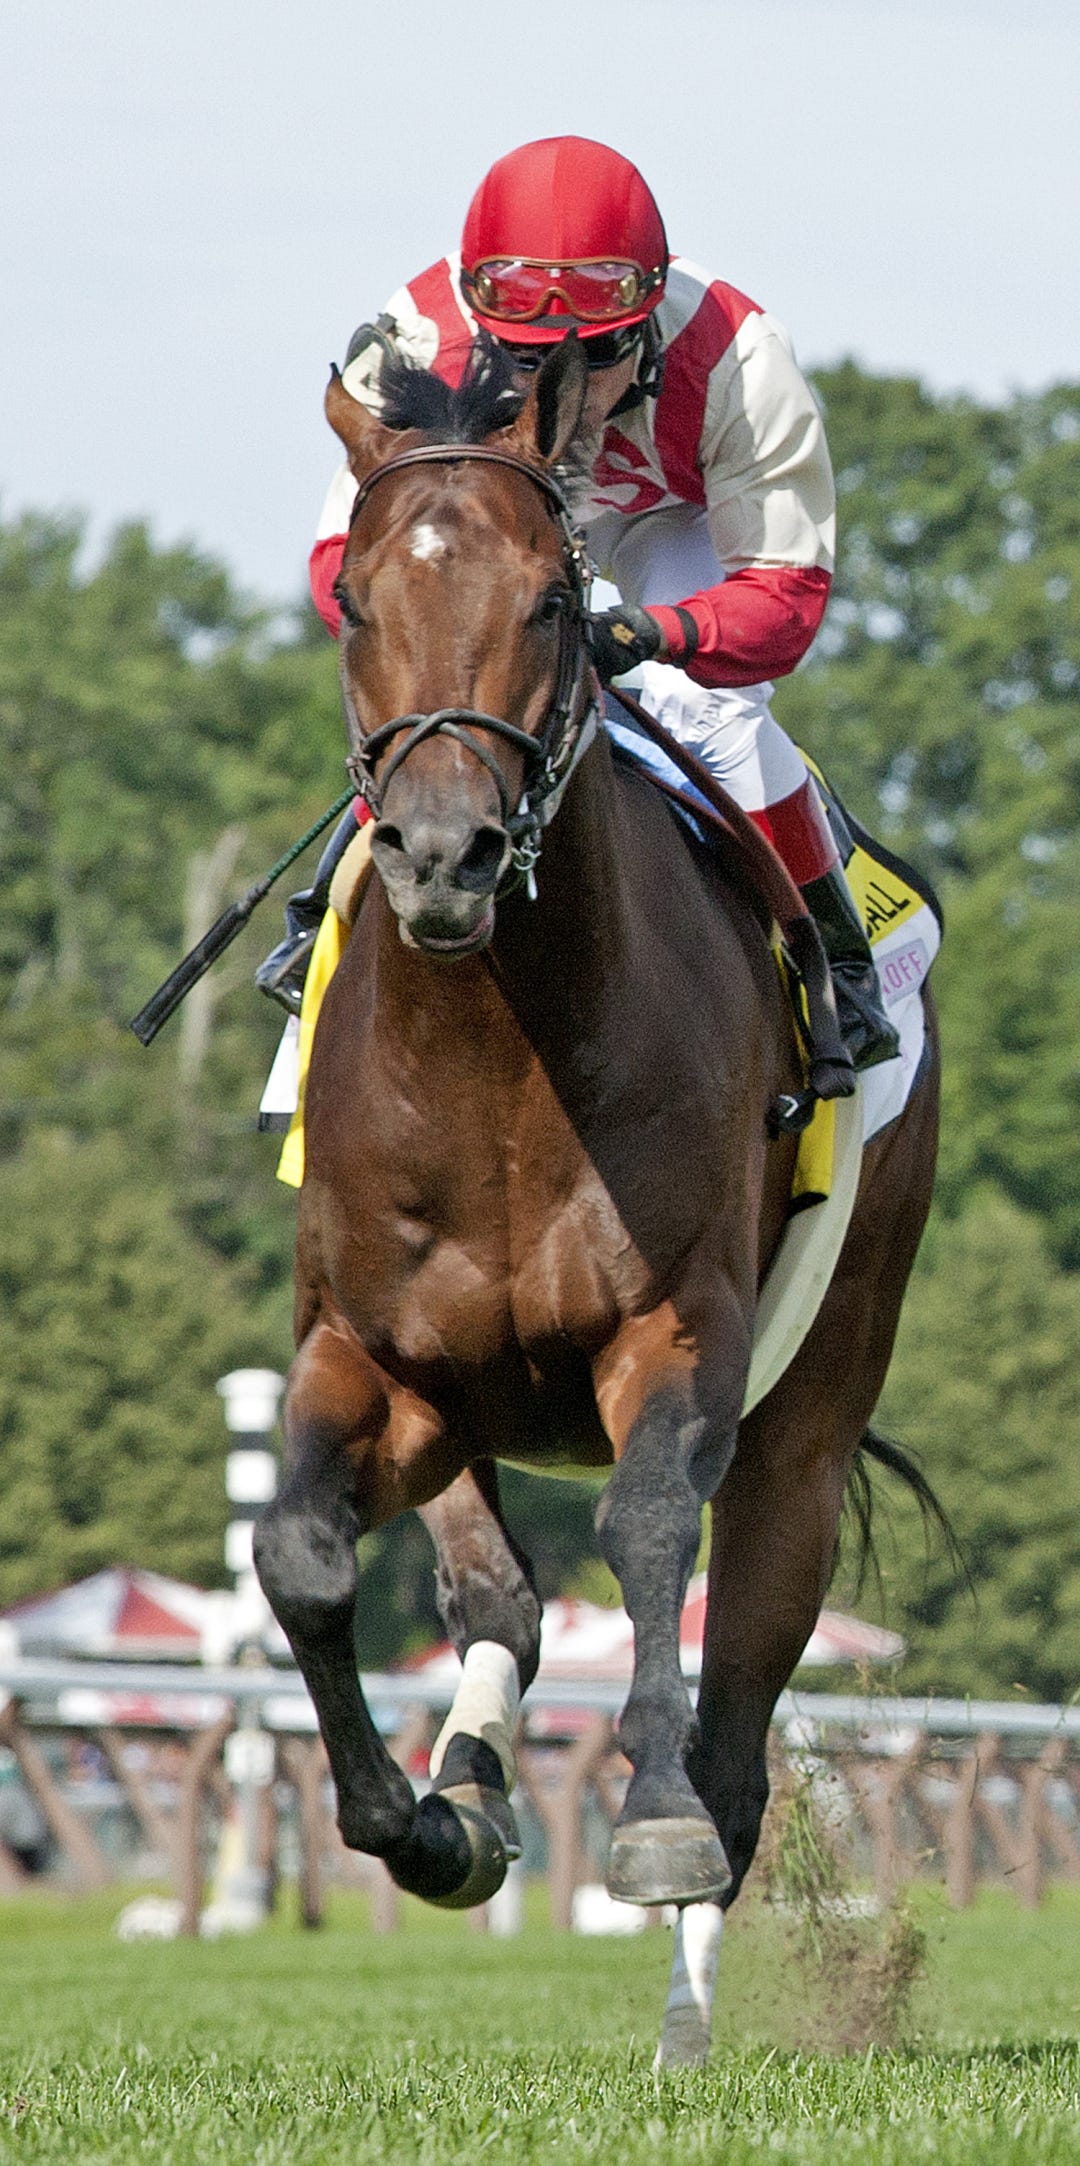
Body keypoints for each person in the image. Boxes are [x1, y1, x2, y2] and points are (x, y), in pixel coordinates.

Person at [258, 135, 897, 1074]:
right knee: (441, 693)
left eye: (599, 353)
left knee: (705, 710)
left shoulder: (742, 361)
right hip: (500, 526)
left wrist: (657, 631)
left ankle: (832, 955)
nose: (560, 385)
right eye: (519, 355)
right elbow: (337, 571)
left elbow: (786, 600)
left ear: (648, 319)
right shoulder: (416, 338)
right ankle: (318, 926)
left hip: (680, 521)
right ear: (478, 319)